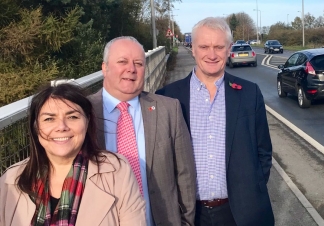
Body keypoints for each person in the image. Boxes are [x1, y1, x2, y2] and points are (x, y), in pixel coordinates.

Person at [156, 17, 274, 226]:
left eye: (219, 47)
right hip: (188, 214)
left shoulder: (249, 93)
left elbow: (263, 151)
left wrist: (250, 190)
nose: (212, 54)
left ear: (229, 49)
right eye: (204, 46)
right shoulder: (167, 96)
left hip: (239, 213)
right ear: (193, 48)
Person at [0, 83, 146, 226]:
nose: (62, 127)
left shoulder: (117, 171)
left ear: (87, 121)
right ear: (36, 127)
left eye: (72, 117)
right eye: (49, 119)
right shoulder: (10, 181)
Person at [88, 36, 196, 226]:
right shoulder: (82, 113)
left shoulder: (169, 109)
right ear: (104, 68)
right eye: (122, 61)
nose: (131, 69)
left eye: (138, 63)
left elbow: (185, 174)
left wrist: (186, 222)